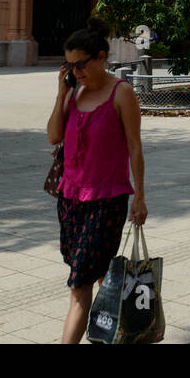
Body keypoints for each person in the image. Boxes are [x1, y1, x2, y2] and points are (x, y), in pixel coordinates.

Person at [46, 17, 148, 344]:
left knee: (79, 285)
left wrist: (140, 196)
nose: (75, 71)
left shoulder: (121, 94)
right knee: (96, 273)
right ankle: (119, 329)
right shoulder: (74, 93)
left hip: (107, 202)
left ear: (101, 58)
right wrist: (61, 92)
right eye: (69, 66)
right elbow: (53, 136)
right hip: (70, 199)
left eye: (81, 65)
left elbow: (134, 145)